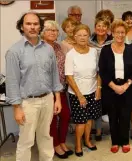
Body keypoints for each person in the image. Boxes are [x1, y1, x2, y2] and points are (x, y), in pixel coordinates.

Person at [5, 12, 63, 161]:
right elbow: (12, 82)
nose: (32, 27)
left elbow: (54, 75)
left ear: (40, 27)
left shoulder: (48, 49)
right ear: (22, 27)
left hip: (48, 99)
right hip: (27, 103)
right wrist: (17, 108)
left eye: (35, 24)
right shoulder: (14, 51)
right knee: (26, 141)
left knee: (45, 136)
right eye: (28, 24)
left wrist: (57, 98)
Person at [98, 20, 132, 153]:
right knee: (113, 115)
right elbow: (102, 71)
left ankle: (125, 141)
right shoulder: (105, 50)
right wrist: (113, 86)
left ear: (125, 33)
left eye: (122, 32)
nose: (120, 35)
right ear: (112, 33)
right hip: (110, 87)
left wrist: (127, 84)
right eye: (117, 32)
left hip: (127, 87)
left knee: (125, 115)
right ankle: (115, 141)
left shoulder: (131, 49)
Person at [65, 24, 101, 157]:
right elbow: (69, 76)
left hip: (92, 90)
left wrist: (99, 88)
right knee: (81, 122)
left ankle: (87, 141)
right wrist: (80, 95)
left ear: (88, 36)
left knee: (90, 119)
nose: (82, 37)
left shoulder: (93, 52)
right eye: (79, 35)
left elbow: (98, 72)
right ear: (74, 36)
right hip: (77, 93)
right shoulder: (71, 54)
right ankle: (78, 144)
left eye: (85, 35)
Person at [41, 20, 73, 158]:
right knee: (52, 119)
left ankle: (62, 142)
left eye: (55, 30)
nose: (53, 33)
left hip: (61, 88)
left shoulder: (59, 47)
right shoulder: (39, 48)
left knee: (65, 115)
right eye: (49, 30)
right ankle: (55, 145)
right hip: (47, 90)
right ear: (42, 33)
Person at [89, 17, 113, 141]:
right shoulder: (89, 41)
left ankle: (113, 128)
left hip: (109, 77)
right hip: (92, 77)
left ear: (108, 29)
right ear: (95, 27)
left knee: (109, 103)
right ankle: (97, 130)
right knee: (96, 102)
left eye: (104, 26)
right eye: (98, 26)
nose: (101, 28)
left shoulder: (112, 41)